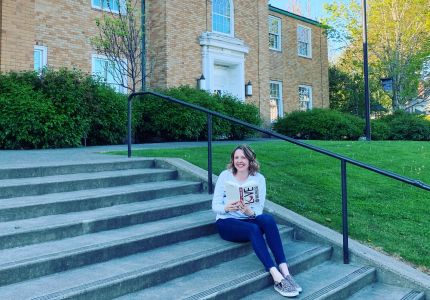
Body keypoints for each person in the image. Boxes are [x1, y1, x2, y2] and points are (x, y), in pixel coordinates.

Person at [212, 144, 302, 298]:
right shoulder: (224, 176)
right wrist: (227, 208)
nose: (239, 161)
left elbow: (259, 210)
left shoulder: (258, 179)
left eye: (243, 157)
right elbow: (215, 206)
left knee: (267, 218)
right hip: (226, 223)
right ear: (232, 160)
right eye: (236, 157)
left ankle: (286, 272)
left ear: (250, 159)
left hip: (248, 218)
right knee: (253, 230)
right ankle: (276, 277)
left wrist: (249, 212)